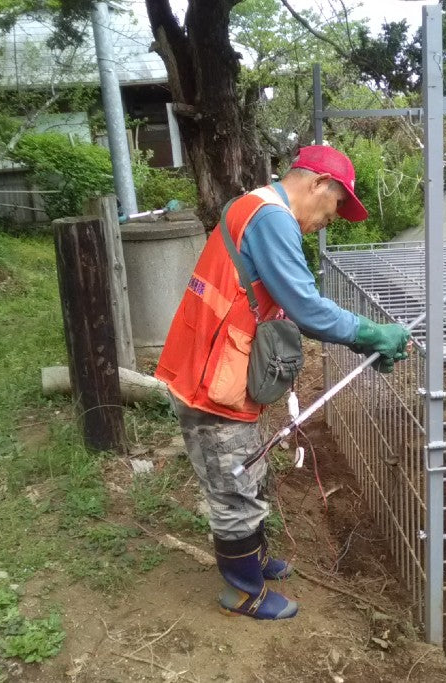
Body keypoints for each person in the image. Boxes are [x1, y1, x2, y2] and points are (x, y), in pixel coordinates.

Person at [154, 146, 411, 620]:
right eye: (335, 205)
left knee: (247, 468)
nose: (330, 220)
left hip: (218, 363)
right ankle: (242, 591)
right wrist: (371, 333)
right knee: (233, 483)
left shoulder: (253, 204)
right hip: (210, 376)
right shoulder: (273, 219)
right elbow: (307, 307)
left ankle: (252, 558)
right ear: (316, 184)